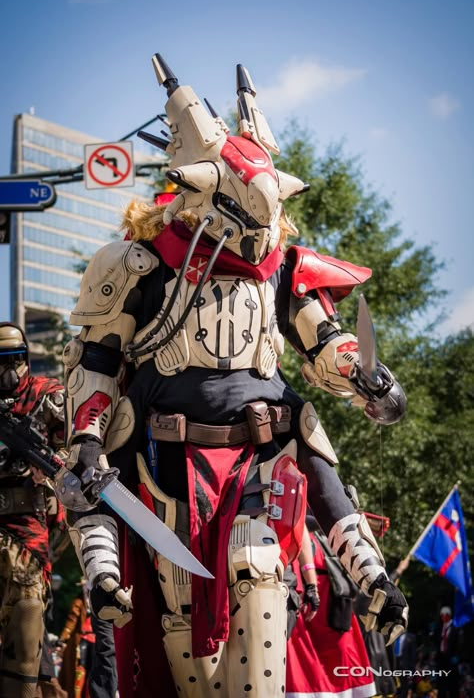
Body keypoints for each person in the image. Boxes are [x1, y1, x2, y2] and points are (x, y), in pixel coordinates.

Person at [58, 53, 408, 697]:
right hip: (167, 460)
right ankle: (101, 573)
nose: (257, 233)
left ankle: (374, 579)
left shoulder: (281, 265)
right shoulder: (137, 264)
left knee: (269, 568)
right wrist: (84, 440)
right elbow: (97, 360)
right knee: (172, 610)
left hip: (262, 452)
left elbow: (323, 341)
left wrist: (365, 376)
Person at [0, 322, 65, 698]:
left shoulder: (47, 396)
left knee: (26, 626)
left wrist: (55, 466)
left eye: (15, 360)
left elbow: (77, 447)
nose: (9, 370)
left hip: (26, 534)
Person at [286, 521, 378, 698]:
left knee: (340, 657)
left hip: (332, 605)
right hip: (302, 602)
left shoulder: (328, 541)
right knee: (301, 664)